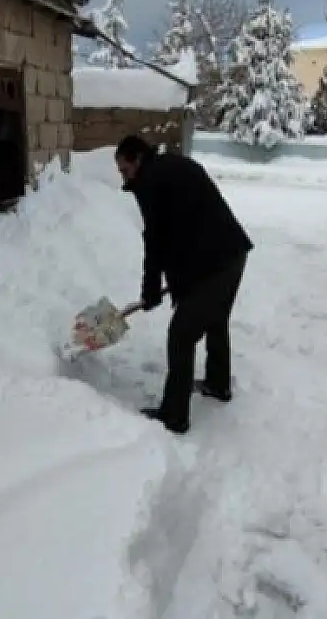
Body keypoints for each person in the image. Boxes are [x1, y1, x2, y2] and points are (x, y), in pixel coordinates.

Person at [115, 135, 254, 435]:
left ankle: (174, 415)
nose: (124, 178)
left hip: (213, 263)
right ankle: (218, 384)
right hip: (232, 253)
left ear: (137, 159)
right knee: (216, 319)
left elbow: (156, 240)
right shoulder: (173, 165)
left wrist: (151, 289)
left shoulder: (150, 182)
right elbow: (181, 227)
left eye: (124, 170)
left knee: (181, 335)